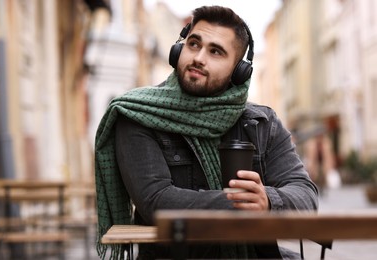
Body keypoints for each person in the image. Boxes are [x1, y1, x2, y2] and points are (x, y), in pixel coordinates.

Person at [95, 5, 318, 259]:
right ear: (178, 49)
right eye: (193, 44)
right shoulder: (139, 115)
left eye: (216, 51)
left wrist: (266, 200)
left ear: (238, 72)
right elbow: (157, 202)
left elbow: (305, 196)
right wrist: (242, 203)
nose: (199, 57)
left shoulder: (262, 123)